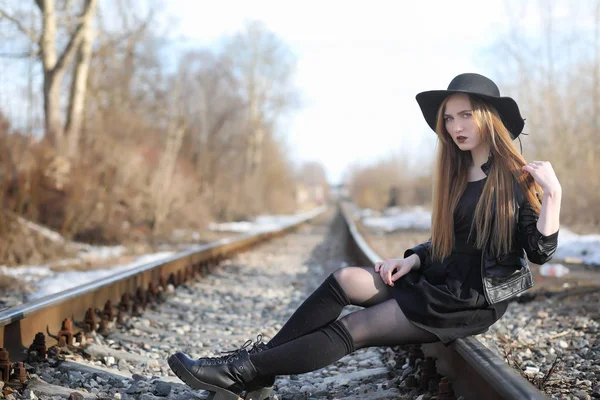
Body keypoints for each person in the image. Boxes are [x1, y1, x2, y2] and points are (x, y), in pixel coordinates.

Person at [167, 73, 562, 400]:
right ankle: (260, 370)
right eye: (449, 118)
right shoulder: (457, 174)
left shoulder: (514, 178)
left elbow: (539, 252)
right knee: (344, 280)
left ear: (489, 117)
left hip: (468, 300)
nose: (456, 127)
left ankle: (243, 369)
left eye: (466, 116)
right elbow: (456, 241)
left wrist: (553, 196)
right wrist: (414, 259)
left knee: (358, 328)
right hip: (440, 281)